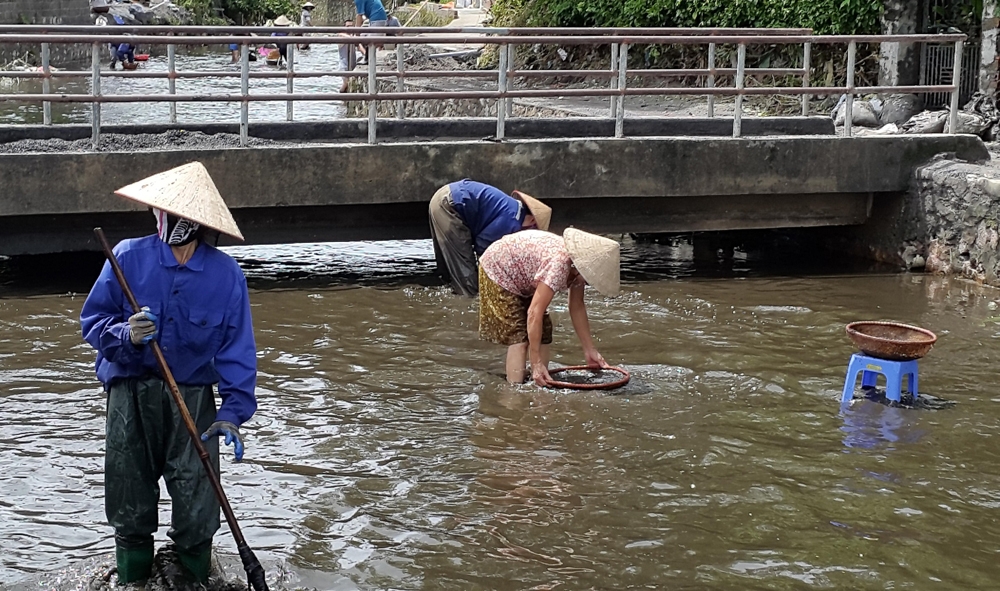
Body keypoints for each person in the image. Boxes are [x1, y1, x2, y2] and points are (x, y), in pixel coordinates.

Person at [80, 162, 258, 587]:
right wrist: (127, 334)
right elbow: (92, 323)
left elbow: (238, 351)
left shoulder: (225, 275)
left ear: (195, 224)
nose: (166, 222)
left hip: (193, 399)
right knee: (129, 500)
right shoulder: (126, 257)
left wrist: (233, 412)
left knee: (199, 508)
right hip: (131, 398)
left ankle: (192, 574)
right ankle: (133, 578)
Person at [478, 228, 620, 385]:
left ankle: (541, 381)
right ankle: (515, 392)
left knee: (544, 331)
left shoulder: (579, 270)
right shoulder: (560, 265)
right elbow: (534, 312)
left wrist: (589, 349)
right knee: (518, 336)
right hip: (498, 268)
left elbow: (577, 306)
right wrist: (535, 361)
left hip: (523, 273)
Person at [428, 179, 551, 297]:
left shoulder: (513, 209)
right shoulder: (512, 220)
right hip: (450, 205)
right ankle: (465, 307)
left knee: (449, 271)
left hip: (445, 198)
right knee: (467, 282)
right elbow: (482, 245)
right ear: (532, 220)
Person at [338, 19, 363, 91]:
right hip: (344, 66)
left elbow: (359, 46)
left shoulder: (353, 37)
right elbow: (342, 35)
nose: (350, 28)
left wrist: (365, 54)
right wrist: (354, 37)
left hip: (352, 65)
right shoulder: (341, 36)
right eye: (348, 26)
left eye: (352, 26)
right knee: (345, 84)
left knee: (349, 86)